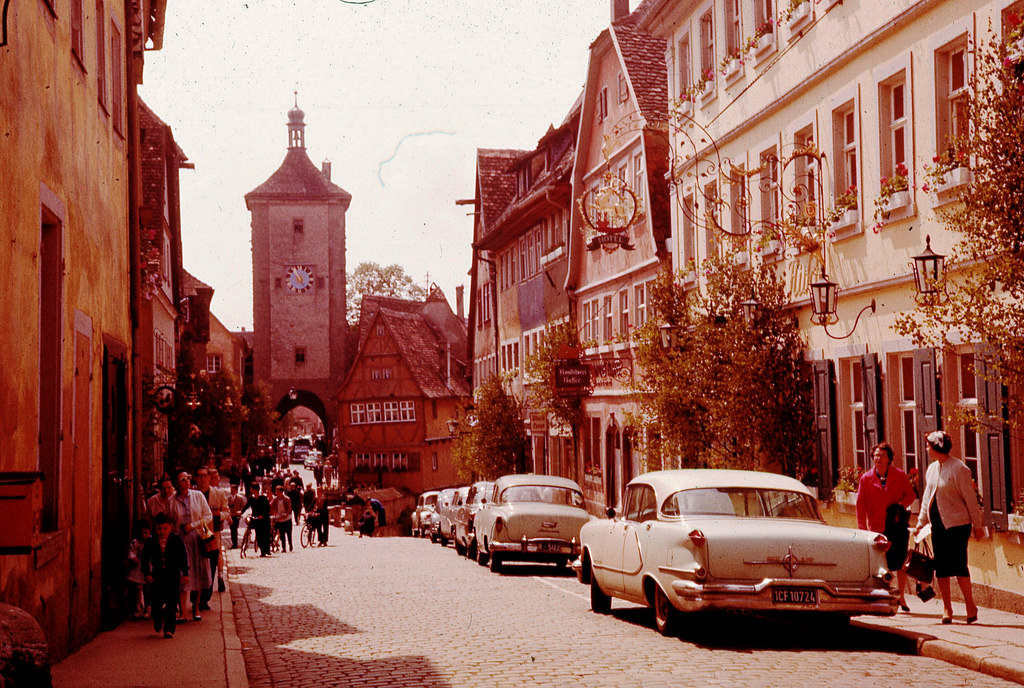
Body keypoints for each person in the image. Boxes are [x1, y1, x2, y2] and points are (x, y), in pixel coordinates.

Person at [912, 430, 985, 624]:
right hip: (938, 526)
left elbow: (970, 500)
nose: (926, 448)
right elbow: (927, 497)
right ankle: (947, 608)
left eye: (928, 445)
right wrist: (920, 523)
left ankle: (970, 605)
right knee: (942, 568)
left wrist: (977, 526)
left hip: (957, 525)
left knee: (960, 565)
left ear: (937, 447)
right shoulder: (932, 469)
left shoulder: (958, 469)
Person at [856, 442, 917, 611]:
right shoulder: (866, 478)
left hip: (897, 525)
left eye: (881, 455)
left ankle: (902, 597)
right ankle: (882, 594)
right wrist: (861, 529)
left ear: (889, 458)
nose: (878, 458)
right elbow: (860, 506)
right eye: (875, 455)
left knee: (900, 562)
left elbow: (911, 495)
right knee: (881, 563)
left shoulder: (899, 475)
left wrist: (899, 506)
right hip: (877, 527)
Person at [173, 470, 213, 621]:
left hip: (197, 540)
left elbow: (208, 516)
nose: (186, 481)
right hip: (180, 541)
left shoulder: (198, 496)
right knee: (182, 576)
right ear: (177, 483)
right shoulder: (173, 500)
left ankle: (196, 608)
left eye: (188, 478)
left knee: (198, 573)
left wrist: (194, 525)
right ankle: (183, 611)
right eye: (183, 479)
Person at [141, 512, 189, 639]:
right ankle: (157, 619)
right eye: (159, 528)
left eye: (165, 528)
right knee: (156, 600)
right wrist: (146, 573)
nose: (162, 531)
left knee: (171, 602)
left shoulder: (176, 540)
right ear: (155, 528)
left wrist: (185, 573)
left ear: (171, 527)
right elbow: (145, 557)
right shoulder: (151, 541)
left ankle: (169, 629)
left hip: (172, 575)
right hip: (157, 575)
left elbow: (182, 557)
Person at [196, 466, 229, 604]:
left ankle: (205, 598)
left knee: (211, 566)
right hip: (196, 536)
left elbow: (226, 512)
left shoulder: (218, 494)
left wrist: (218, 515)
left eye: (205, 476)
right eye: (200, 476)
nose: (203, 478)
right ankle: (197, 598)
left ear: (209, 478)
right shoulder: (192, 494)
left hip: (212, 537)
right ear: (196, 479)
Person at [126, 520, 150, 620]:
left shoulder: (151, 542)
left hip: (148, 568)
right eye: (141, 533)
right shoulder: (135, 542)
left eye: (146, 533)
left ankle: (148, 608)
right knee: (137, 589)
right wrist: (133, 558)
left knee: (148, 590)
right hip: (138, 568)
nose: (143, 535)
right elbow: (131, 552)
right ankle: (138, 608)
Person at [249, 483, 272, 556]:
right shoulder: (251, 498)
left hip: (264, 520)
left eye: (251, 488)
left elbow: (267, 508)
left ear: (255, 490)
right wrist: (240, 512)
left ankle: (266, 550)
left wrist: (262, 515)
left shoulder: (263, 498)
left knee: (265, 536)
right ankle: (262, 550)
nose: (250, 490)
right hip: (256, 520)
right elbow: (247, 506)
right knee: (258, 536)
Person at [271, 484, 293, 552]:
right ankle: (284, 548)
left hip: (287, 519)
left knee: (289, 534)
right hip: (280, 519)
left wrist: (285, 515)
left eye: (277, 491)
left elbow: (289, 508)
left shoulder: (286, 499)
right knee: (282, 535)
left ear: (281, 491)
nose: (276, 493)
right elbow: (271, 506)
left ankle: (290, 545)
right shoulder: (275, 499)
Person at [227, 482, 247, 549]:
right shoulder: (229, 498)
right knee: (232, 530)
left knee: (235, 529)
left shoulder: (240, 498)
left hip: (236, 516)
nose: (231, 491)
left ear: (236, 490)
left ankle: (235, 543)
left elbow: (242, 507)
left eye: (233, 490)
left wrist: (240, 512)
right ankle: (233, 543)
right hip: (231, 515)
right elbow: (227, 506)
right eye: (231, 490)